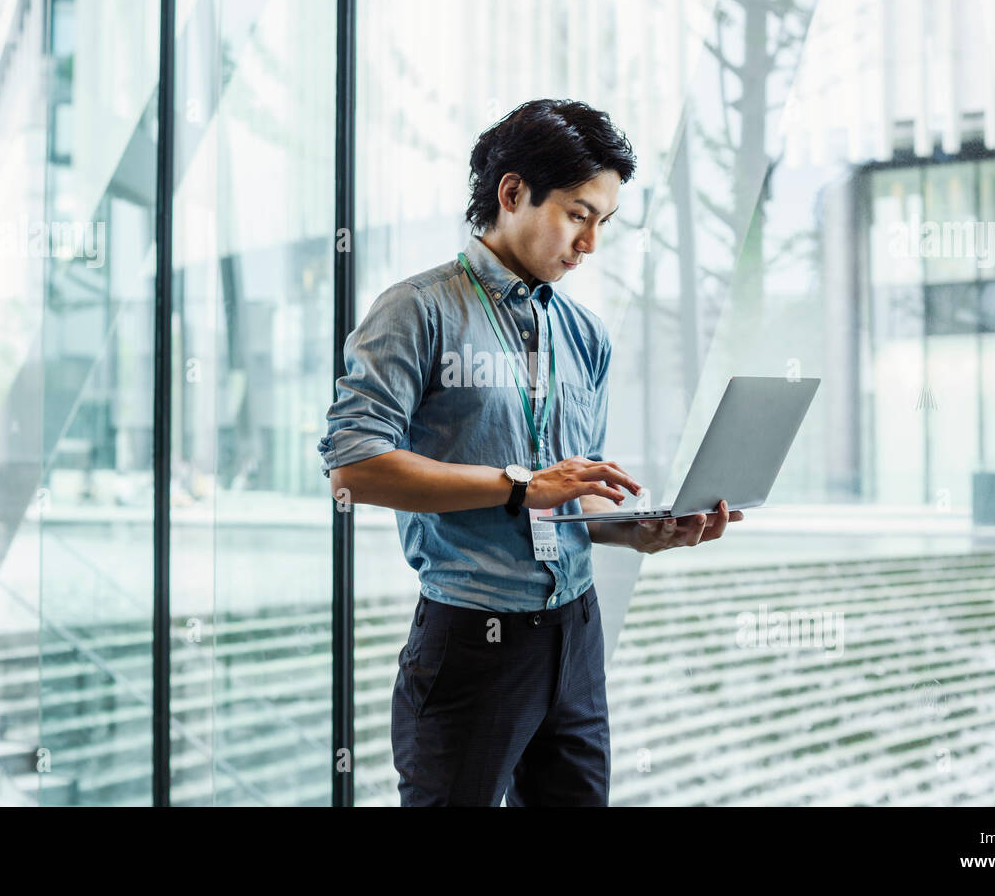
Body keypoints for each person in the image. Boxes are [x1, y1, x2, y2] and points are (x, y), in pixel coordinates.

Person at [317, 98, 743, 806]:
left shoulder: (586, 336)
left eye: (603, 222)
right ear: (512, 194)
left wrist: (639, 531)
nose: (591, 244)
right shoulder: (417, 311)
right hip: (471, 645)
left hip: (576, 634)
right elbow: (352, 467)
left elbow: (562, 501)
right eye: (579, 214)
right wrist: (520, 484)